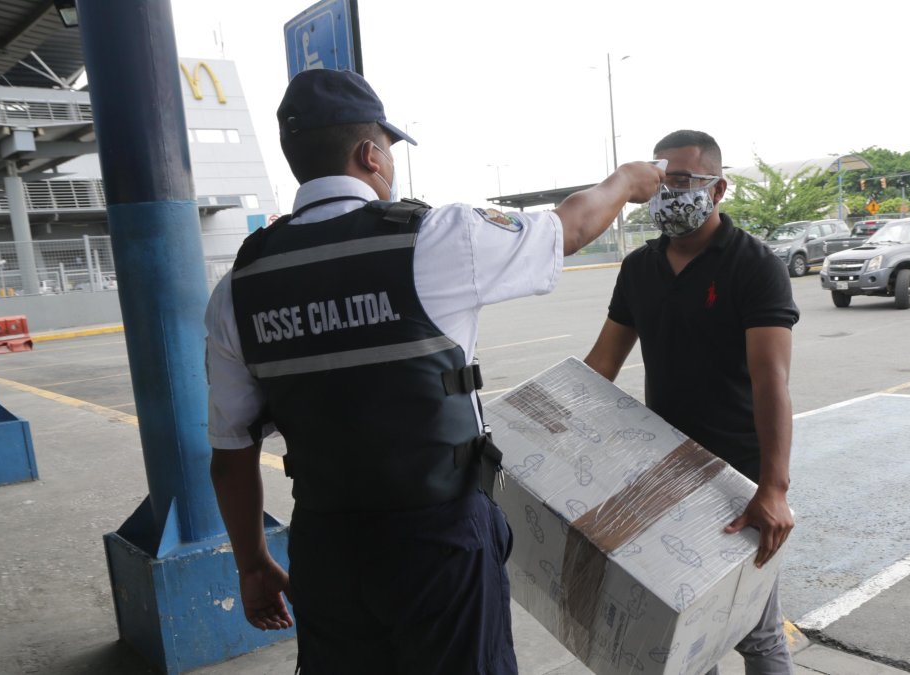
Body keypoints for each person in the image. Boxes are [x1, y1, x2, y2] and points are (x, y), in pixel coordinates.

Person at [205, 68, 663, 674]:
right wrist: (629, 179)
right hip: (439, 544)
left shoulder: (239, 286)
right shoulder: (437, 238)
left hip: (327, 549)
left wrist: (253, 562)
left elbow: (231, 451)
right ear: (370, 154)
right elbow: (572, 226)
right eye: (389, 151)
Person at [583, 129, 798, 675]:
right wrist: (551, 427)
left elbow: (771, 381)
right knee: (677, 627)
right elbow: (602, 365)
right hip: (666, 472)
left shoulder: (753, 265)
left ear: (718, 189)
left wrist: (772, 489)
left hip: (736, 479)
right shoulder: (639, 268)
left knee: (755, 631)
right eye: (659, 181)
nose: (667, 194)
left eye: (681, 180)